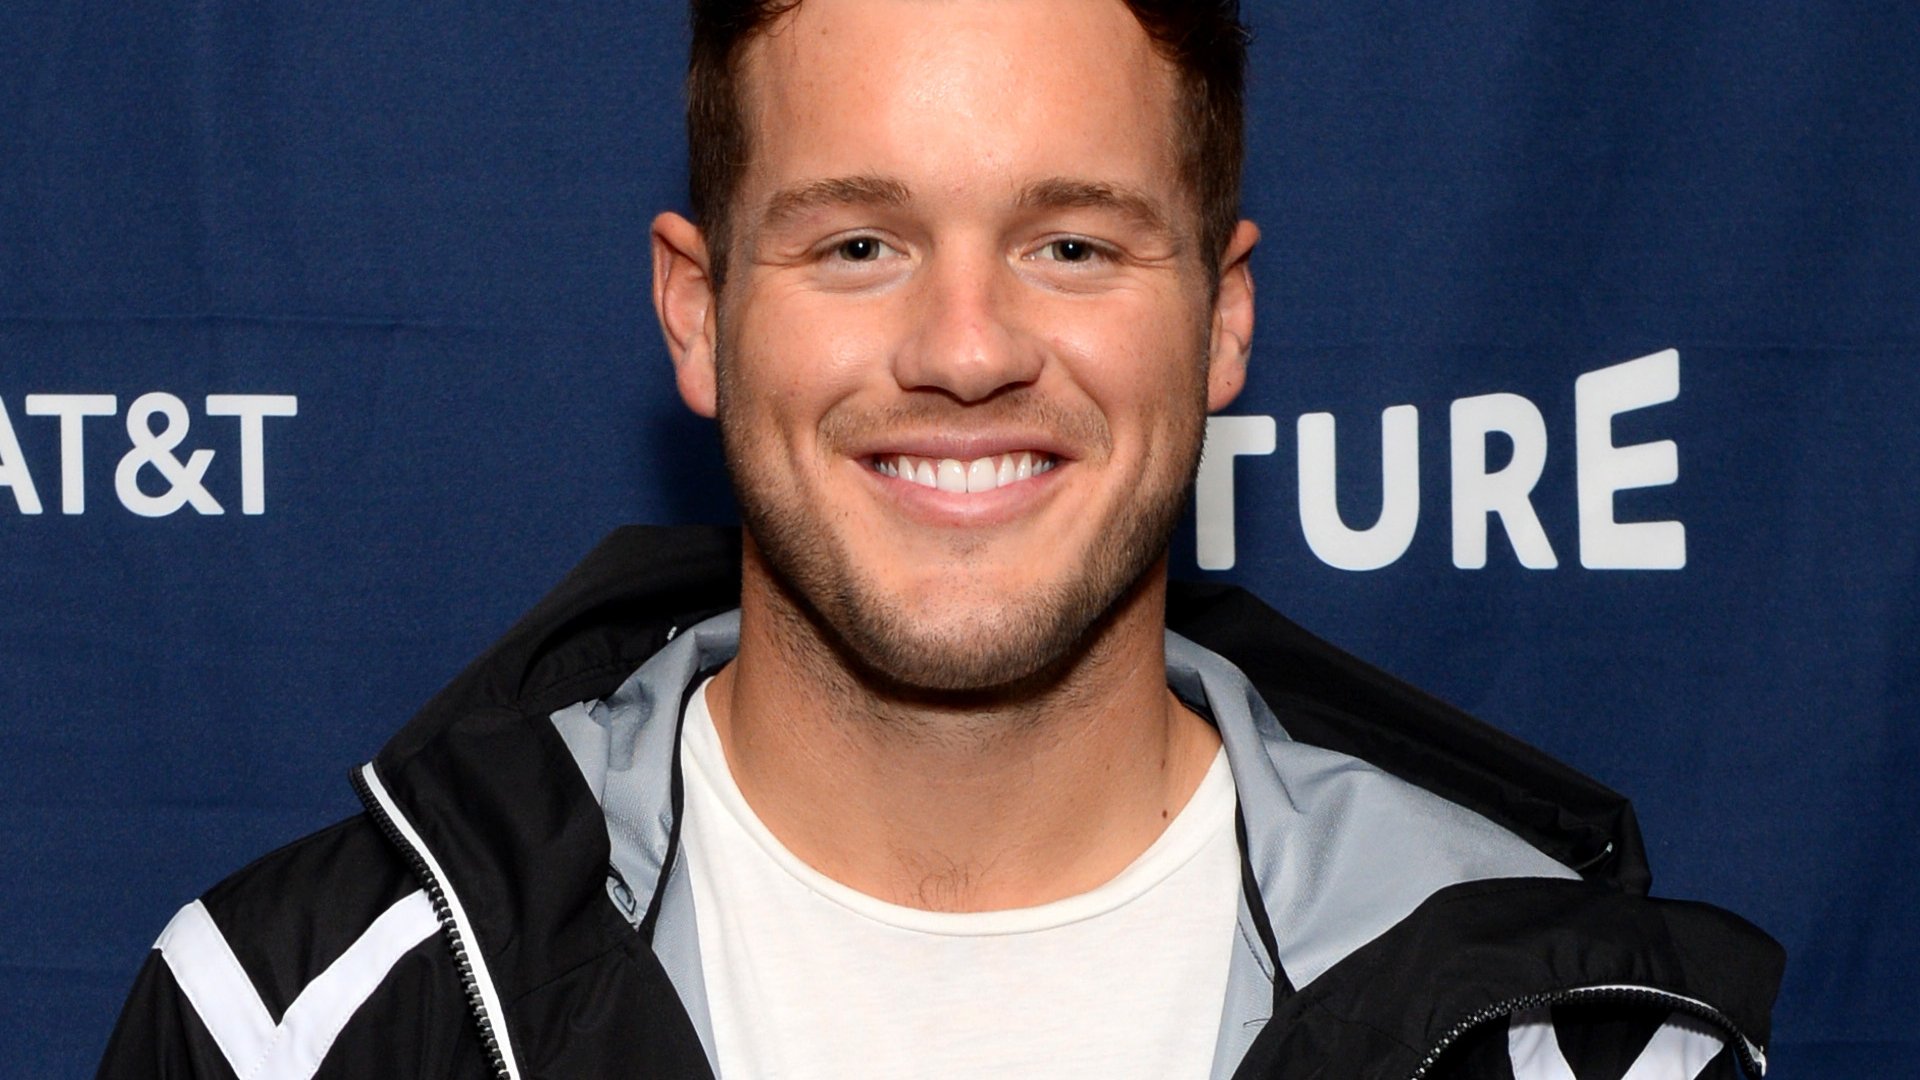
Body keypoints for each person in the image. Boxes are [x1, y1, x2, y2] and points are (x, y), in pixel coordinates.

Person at [97, 1, 1782, 1077]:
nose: (967, 352)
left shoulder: (1570, 1045)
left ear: (1222, 320)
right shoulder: (299, 1025)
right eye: (857, 246)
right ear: (695, 311)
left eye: (1072, 246)